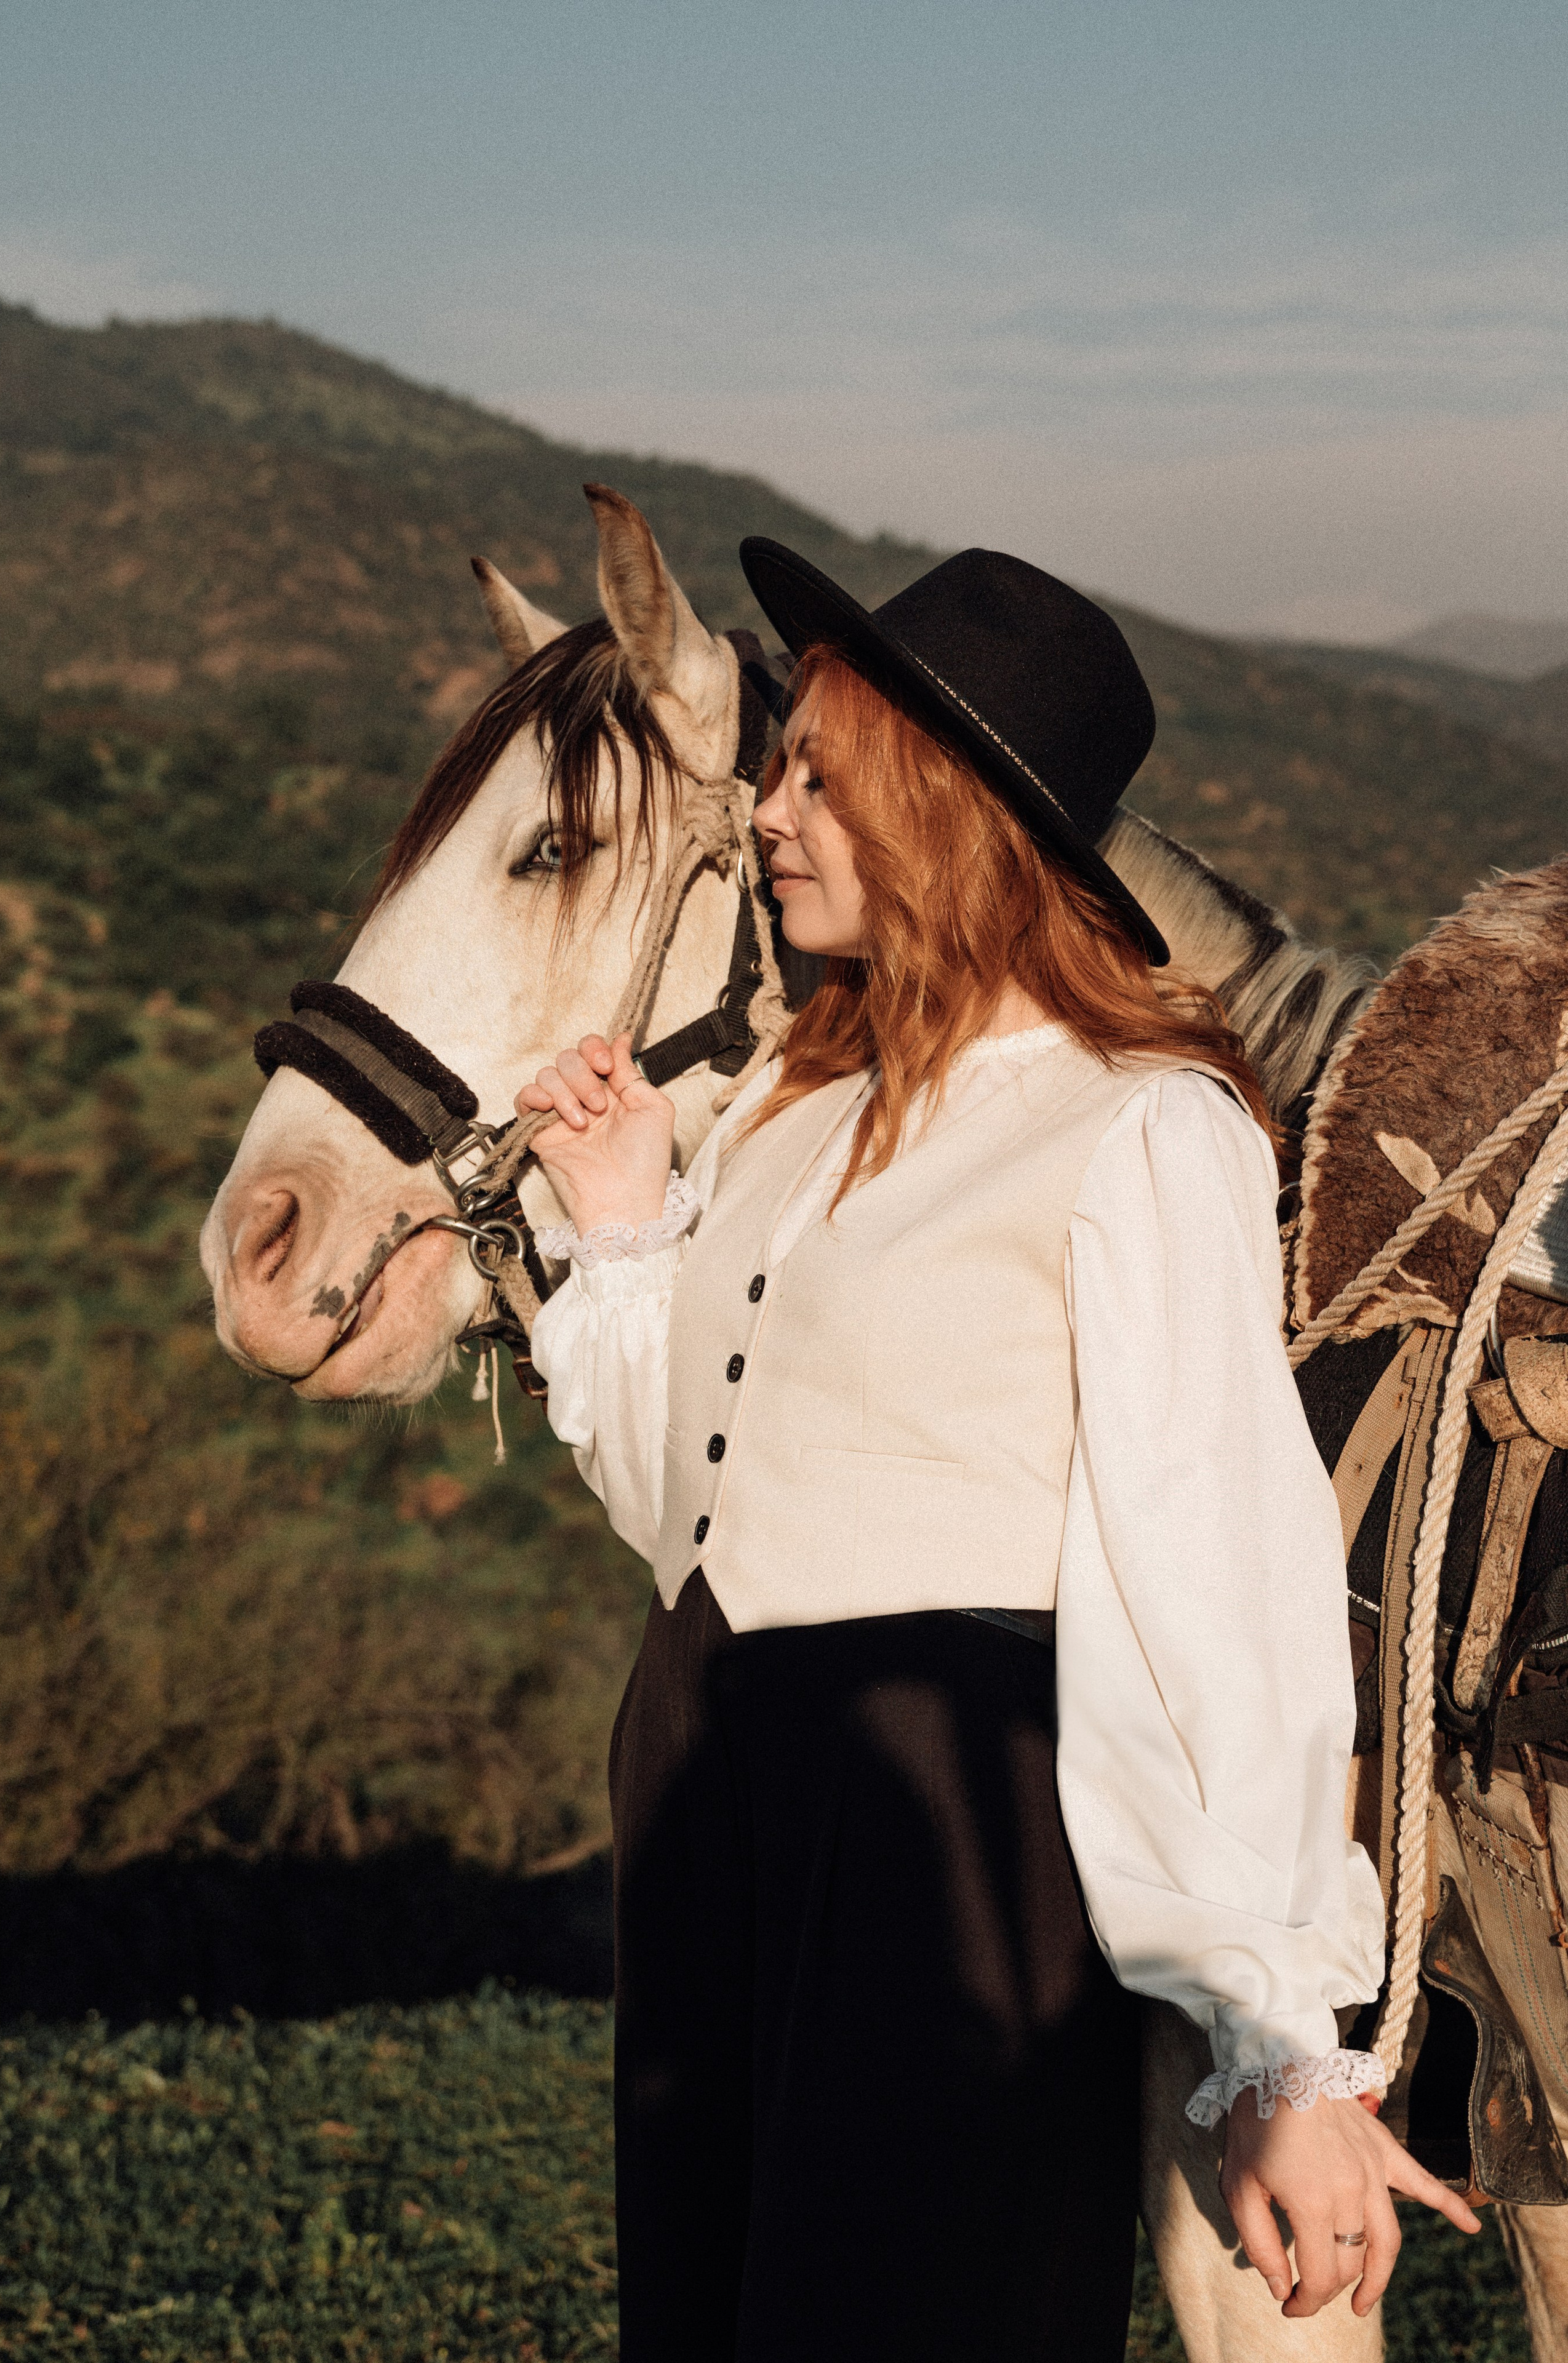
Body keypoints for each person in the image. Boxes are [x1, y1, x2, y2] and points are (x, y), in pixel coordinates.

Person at [518, 540, 1477, 2362]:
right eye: (780, 770)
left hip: (941, 1833)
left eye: (820, 778)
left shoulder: (1143, 1129)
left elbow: (1220, 1587)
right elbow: (683, 1516)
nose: (769, 814)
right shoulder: (789, 1111)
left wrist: (1279, 2042)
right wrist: (626, 1222)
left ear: (947, 812)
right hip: (710, 1780)